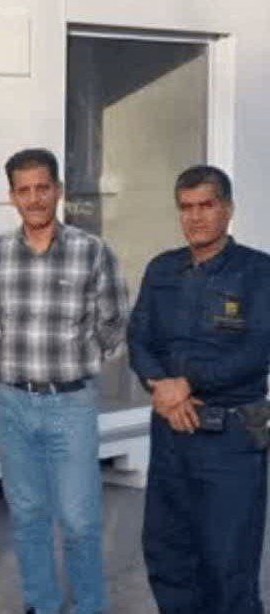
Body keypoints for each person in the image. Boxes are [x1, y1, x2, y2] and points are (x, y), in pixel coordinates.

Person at [0, 148, 127, 614]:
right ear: (11, 196)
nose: (34, 198)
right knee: (27, 515)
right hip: (12, 403)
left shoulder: (91, 251)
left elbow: (113, 325)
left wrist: (72, 362)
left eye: (43, 188)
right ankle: (40, 603)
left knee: (80, 519)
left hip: (70, 404)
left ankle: (89, 606)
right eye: (24, 190)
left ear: (58, 190)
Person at [128, 165, 270, 614]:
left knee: (228, 568)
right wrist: (162, 388)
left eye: (206, 205)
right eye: (186, 207)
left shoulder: (258, 272)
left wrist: (188, 383)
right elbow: (139, 339)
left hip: (230, 440)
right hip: (171, 435)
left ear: (227, 209)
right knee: (168, 556)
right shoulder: (161, 269)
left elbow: (257, 350)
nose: (195, 217)